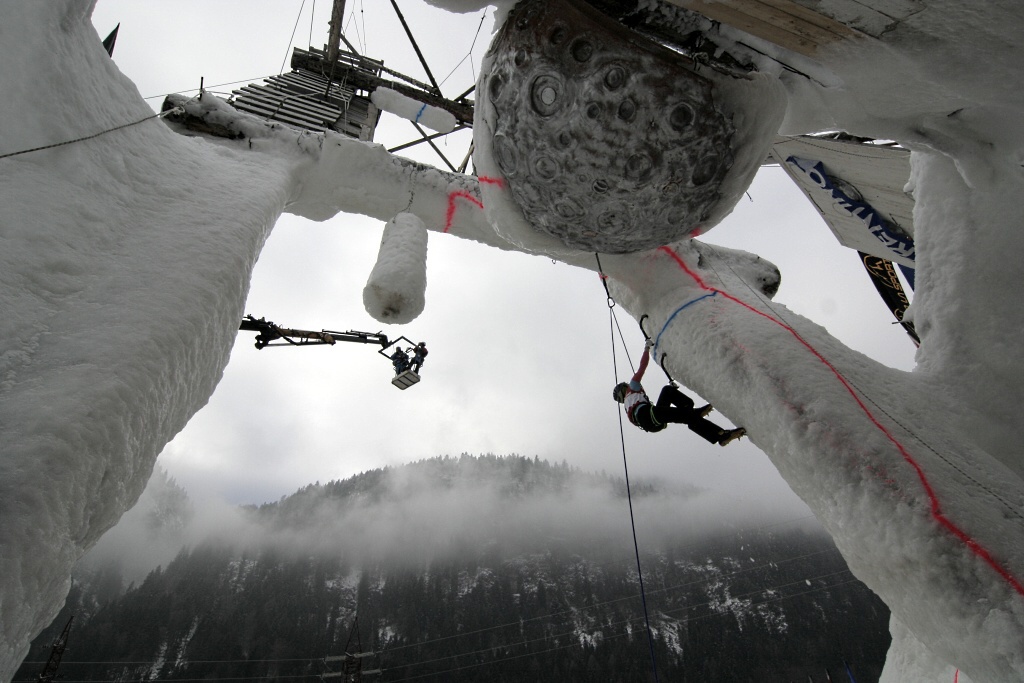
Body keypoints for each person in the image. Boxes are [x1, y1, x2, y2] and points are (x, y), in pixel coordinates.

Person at [613, 343, 746, 446]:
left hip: (652, 421)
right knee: (686, 416)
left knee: (668, 392)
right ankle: (720, 436)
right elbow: (642, 366)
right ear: (624, 388)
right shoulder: (632, 388)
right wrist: (647, 348)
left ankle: (692, 412)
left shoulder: (628, 406)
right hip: (649, 415)